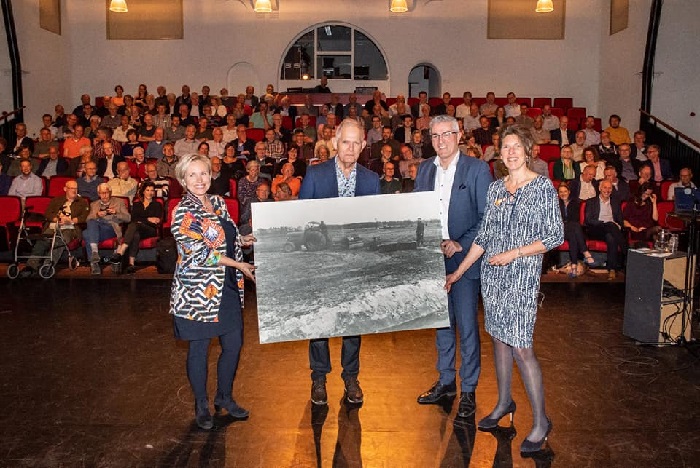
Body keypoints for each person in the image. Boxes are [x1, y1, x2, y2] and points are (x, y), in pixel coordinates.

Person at [444, 124, 563, 453]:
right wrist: (457, 273)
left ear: (527, 150)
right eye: (505, 147)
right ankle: (504, 403)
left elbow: (554, 235)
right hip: (493, 280)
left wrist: (515, 252)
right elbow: (483, 238)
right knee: (498, 340)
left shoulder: (541, 187)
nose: (510, 152)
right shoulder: (496, 189)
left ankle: (541, 422)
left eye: (516, 146)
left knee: (522, 347)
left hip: (522, 278)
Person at [169, 153, 256, 430]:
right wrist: (239, 264)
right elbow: (201, 255)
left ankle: (225, 397)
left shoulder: (218, 202)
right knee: (200, 348)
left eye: (203, 173)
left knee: (233, 346)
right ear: (183, 179)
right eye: (192, 174)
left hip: (226, 287)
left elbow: (225, 238)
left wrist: (244, 239)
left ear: (211, 175)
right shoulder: (182, 211)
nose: (199, 179)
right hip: (197, 293)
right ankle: (201, 404)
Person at [414, 115, 492, 418]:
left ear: (458, 136)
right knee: (441, 323)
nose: (440, 141)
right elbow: (418, 212)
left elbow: (486, 218)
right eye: (435, 136)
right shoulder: (424, 170)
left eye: (446, 134)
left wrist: (459, 243)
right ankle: (446, 381)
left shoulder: (477, 169)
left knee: (467, 326)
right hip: (433, 256)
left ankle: (469, 389)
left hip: (465, 257)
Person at [298, 118, 380, 406]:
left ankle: (351, 377)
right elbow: (302, 219)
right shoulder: (315, 175)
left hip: (356, 264)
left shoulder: (371, 180)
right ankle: (319, 378)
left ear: (363, 146)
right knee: (320, 323)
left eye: (356, 142)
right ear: (335, 143)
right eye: (346, 141)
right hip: (322, 263)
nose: (351, 147)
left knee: (352, 322)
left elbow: (374, 224)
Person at [18, 180, 90, 278]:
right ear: (65, 189)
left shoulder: (82, 202)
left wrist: (72, 220)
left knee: (60, 240)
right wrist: (56, 218)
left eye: (76, 188)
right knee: (42, 241)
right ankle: (31, 266)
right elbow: (48, 213)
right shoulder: (56, 200)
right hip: (55, 225)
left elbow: (85, 216)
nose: (74, 190)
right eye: (71, 188)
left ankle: (47, 264)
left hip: (71, 227)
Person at [111, 181, 163, 274]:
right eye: (147, 190)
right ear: (143, 191)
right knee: (135, 234)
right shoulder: (137, 204)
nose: (150, 192)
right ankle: (131, 264)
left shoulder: (157, 205)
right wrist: (148, 219)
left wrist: (143, 220)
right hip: (138, 229)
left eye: (152, 190)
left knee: (134, 225)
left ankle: (122, 249)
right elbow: (134, 219)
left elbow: (156, 222)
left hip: (150, 230)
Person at [84, 183, 131, 275]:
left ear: (110, 192)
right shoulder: (94, 204)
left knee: (86, 234)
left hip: (111, 228)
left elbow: (128, 218)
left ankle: (94, 262)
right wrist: (97, 215)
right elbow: (87, 219)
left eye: (106, 192)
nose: (104, 195)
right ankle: (95, 256)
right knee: (90, 225)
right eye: (102, 193)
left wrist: (116, 213)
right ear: (98, 194)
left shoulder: (119, 202)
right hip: (98, 228)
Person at [584, 179, 626, 280]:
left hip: (612, 230)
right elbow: (589, 220)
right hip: (597, 229)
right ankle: (627, 251)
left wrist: (618, 225)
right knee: (610, 225)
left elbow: (620, 220)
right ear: (599, 188)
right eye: (605, 187)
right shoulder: (591, 202)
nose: (607, 190)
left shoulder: (615, 202)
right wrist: (606, 223)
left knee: (611, 237)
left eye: (609, 188)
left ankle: (612, 269)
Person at [558, 183, 595, 277]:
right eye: (561, 192)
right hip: (559, 230)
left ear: (569, 192)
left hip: (570, 229)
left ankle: (574, 266)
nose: (563, 194)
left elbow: (574, 219)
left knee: (573, 236)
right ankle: (584, 250)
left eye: (565, 191)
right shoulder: (555, 204)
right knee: (576, 226)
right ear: (558, 193)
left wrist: (566, 223)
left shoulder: (575, 203)